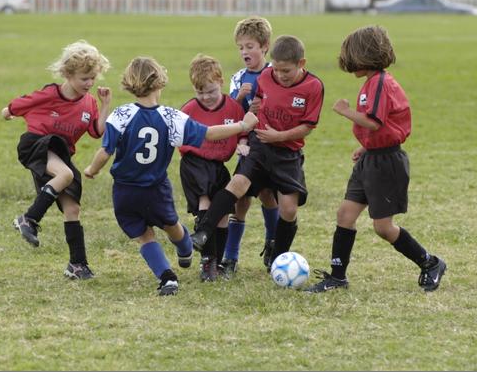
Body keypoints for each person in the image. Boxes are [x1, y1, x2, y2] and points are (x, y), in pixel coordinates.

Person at [84, 57, 258, 295]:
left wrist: (91, 170)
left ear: (130, 84)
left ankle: (167, 278)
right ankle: (185, 247)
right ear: (159, 83)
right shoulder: (170, 117)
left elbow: (105, 151)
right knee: (171, 224)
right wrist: (242, 126)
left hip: (125, 191)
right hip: (156, 189)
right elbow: (209, 133)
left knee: (145, 236)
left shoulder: (121, 114)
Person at [305, 25, 446, 293]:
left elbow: (374, 122)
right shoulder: (372, 82)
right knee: (345, 214)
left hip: (387, 163)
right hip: (371, 159)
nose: (346, 62)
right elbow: (382, 127)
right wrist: (367, 147)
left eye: (350, 55)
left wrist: (345, 111)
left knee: (383, 227)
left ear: (364, 55)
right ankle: (337, 277)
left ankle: (430, 262)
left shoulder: (380, 82)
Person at [191, 35, 325, 272]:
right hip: (259, 146)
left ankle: (278, 260)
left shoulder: (314, 86)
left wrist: (279, 136)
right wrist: (252, 112)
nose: (280, 75)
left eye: (286, 70)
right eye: (277, 69)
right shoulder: (265, 76)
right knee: (238, 187)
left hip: (288, 153)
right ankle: (204, 232)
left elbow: (308, 126)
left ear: (301, 63)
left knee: (288, 208)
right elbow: (259, 101)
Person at [1, 40, 111, 280]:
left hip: (59, 153)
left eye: (93, 78)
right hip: (36, 145)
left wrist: (105, 105)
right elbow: (21, 104)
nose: (90, 83)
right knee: (66, 174)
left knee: (73, 208)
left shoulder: (89, 102)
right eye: (84, 78)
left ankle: (77, 265)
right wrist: (8, 111)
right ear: (68, 75)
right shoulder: (51, 93)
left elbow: (97, 131)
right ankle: (29, 219)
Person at [178, 54, 248, 282]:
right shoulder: (188, 110)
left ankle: (216, 261)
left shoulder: (234, 108)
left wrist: (242, 143)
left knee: (224, 213)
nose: (206, 97)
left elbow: (243, 131)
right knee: (205, 202)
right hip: (195, 162)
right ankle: (207, 262)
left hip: (218, 165)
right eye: (200, 92)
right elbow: (177, 137)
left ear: (221, 82)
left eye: (211, 91)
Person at [223, 16, 279, 276]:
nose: (244, 52)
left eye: (250, 46)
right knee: (241, 199)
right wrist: (240, 98)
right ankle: (230, 257)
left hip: (271, 144)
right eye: (241, 47)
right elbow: (230, 113)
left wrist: (263, 107)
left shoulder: (276, 73)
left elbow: (282, 106)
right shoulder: (238, 78)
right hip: (249, 145)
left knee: (268, 194)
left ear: (265, 46)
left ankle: (272, 243)